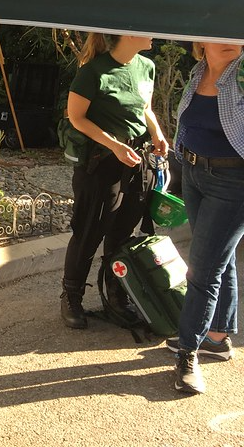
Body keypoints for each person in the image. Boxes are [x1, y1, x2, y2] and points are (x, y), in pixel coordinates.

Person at [60, 33, 169, 329]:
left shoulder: (146, 65)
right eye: (146, 30)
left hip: (136, 159)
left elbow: (145, 108)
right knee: (89, 231)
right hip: (101, 163)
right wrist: (114, 146)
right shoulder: (93, 71)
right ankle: (72, 297)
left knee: (122, 233)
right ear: (129, 34)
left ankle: (117, 296)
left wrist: (157, 133)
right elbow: (76, 117)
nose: (153, 35)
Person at [167, 41, 244, 395]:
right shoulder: (198, 73)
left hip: (233, 182)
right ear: (202, 41)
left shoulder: (241, 76)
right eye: (221, 34)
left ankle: (188, 352)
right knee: (217, 257)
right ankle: (216, 336)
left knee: (202, 269)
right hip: (194, 173)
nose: (232, 40)